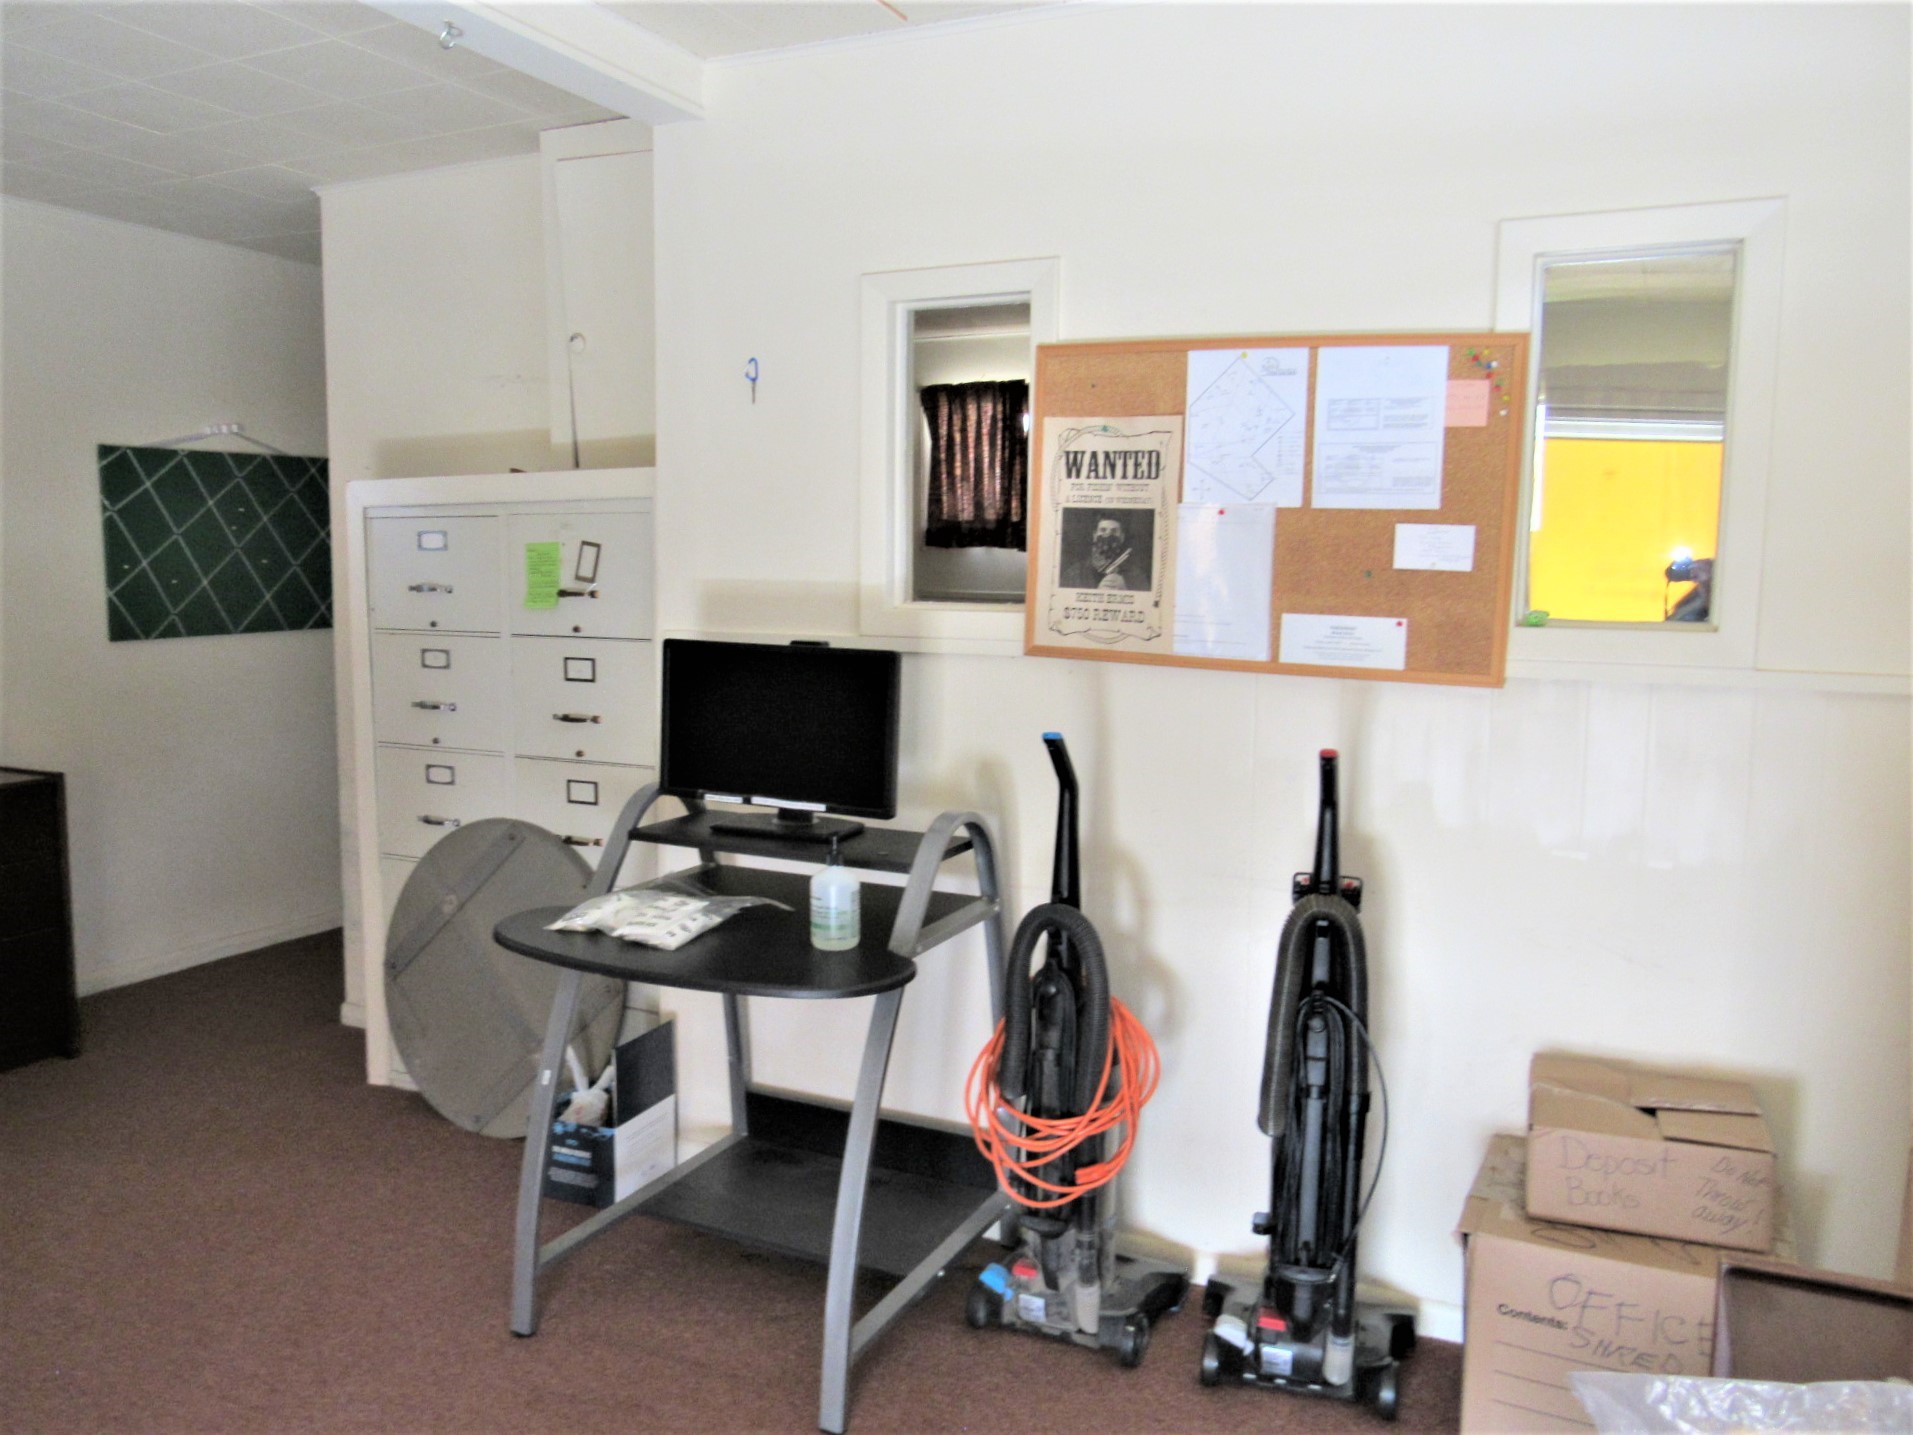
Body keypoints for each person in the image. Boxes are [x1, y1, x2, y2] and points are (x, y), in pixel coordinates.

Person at [1062, 515, 1137, 590]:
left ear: (1122, 537)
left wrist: (1125, 589)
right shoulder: (1074, 574)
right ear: (1094, 535)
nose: (1108, 535)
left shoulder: (1135, 576)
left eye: (1114, 531)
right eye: (1103, 530)